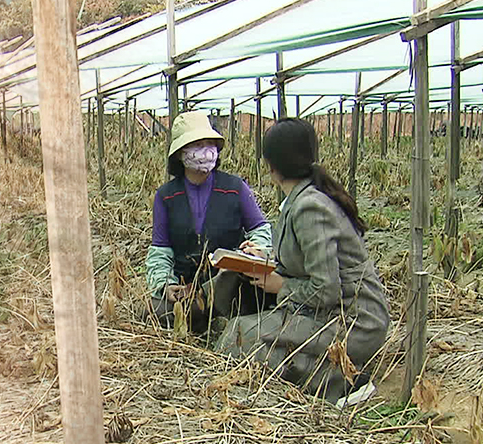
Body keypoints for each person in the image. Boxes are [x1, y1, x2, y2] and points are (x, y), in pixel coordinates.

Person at [216, 117, 390, 405]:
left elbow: (326, 290)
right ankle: (332, 373)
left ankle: (341, 382)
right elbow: (308, 261)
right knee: (243, 336)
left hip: (353, 323)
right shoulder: (303, 199)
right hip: (330, 315)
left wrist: (279, 285)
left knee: (238, 339)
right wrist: (266, 258)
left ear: (271, 165)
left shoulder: (309, 207)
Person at [147, 111, 273, 332]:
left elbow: (260, 229)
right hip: (186, 287)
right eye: (196, 144)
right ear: (179, 154)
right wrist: (165, 285)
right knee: (153, 311)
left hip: (231, 283)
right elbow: (160, 250)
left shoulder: (235, 188)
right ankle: (202, 316)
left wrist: (255, 250)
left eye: (209, 143)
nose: (205, 151)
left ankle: (214, 314)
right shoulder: (165, 196)